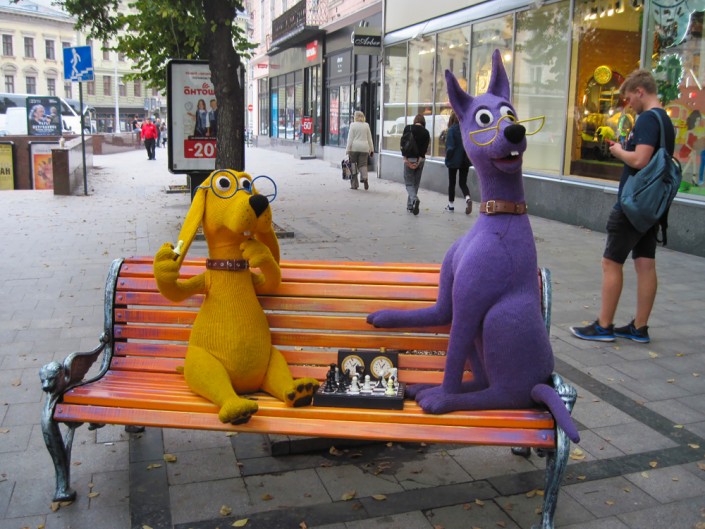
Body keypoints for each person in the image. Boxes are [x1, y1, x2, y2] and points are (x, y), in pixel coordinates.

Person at [570, 69, 675, 344]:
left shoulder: (648, 119)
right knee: (645, 263)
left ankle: (604, 326)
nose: (628, 104)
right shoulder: (665, 121)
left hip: (633, 204)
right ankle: (639, 328)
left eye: (629, 98)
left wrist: (618, 151)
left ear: (640, 92)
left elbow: (640, 160)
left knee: (611, 262)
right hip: (652, 206)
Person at [401, 114, 430, 215]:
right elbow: (424, 150)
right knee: (415, 184)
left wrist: (405, 159)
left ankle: (414, 199)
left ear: (415, 121)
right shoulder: (426, 132)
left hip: (409, 158)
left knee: (409, 183)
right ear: (423, 122)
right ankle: (410, 206)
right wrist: (418, 162)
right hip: (420, 160)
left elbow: (403, 144)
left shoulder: (408, 128)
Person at [444, 111, 473, 214]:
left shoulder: (452, 130)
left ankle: (451, 206)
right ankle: (468, 198)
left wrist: (448, 158)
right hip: (465, 160)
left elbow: (450, 147)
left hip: (453, 161)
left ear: (452, 119)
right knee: (462, 183)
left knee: (452, 183)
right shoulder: (467, 130)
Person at [345, 111, 374, 190]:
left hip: (354, 148)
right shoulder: (366, 125)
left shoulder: (353, 125)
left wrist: (347, 149)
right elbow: (370, 139)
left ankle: (354, 185)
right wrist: (371, 149)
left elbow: (350, 139)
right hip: (364, 148)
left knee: (353, 165)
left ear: (355, 117)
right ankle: (365, 178)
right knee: (363, 165)